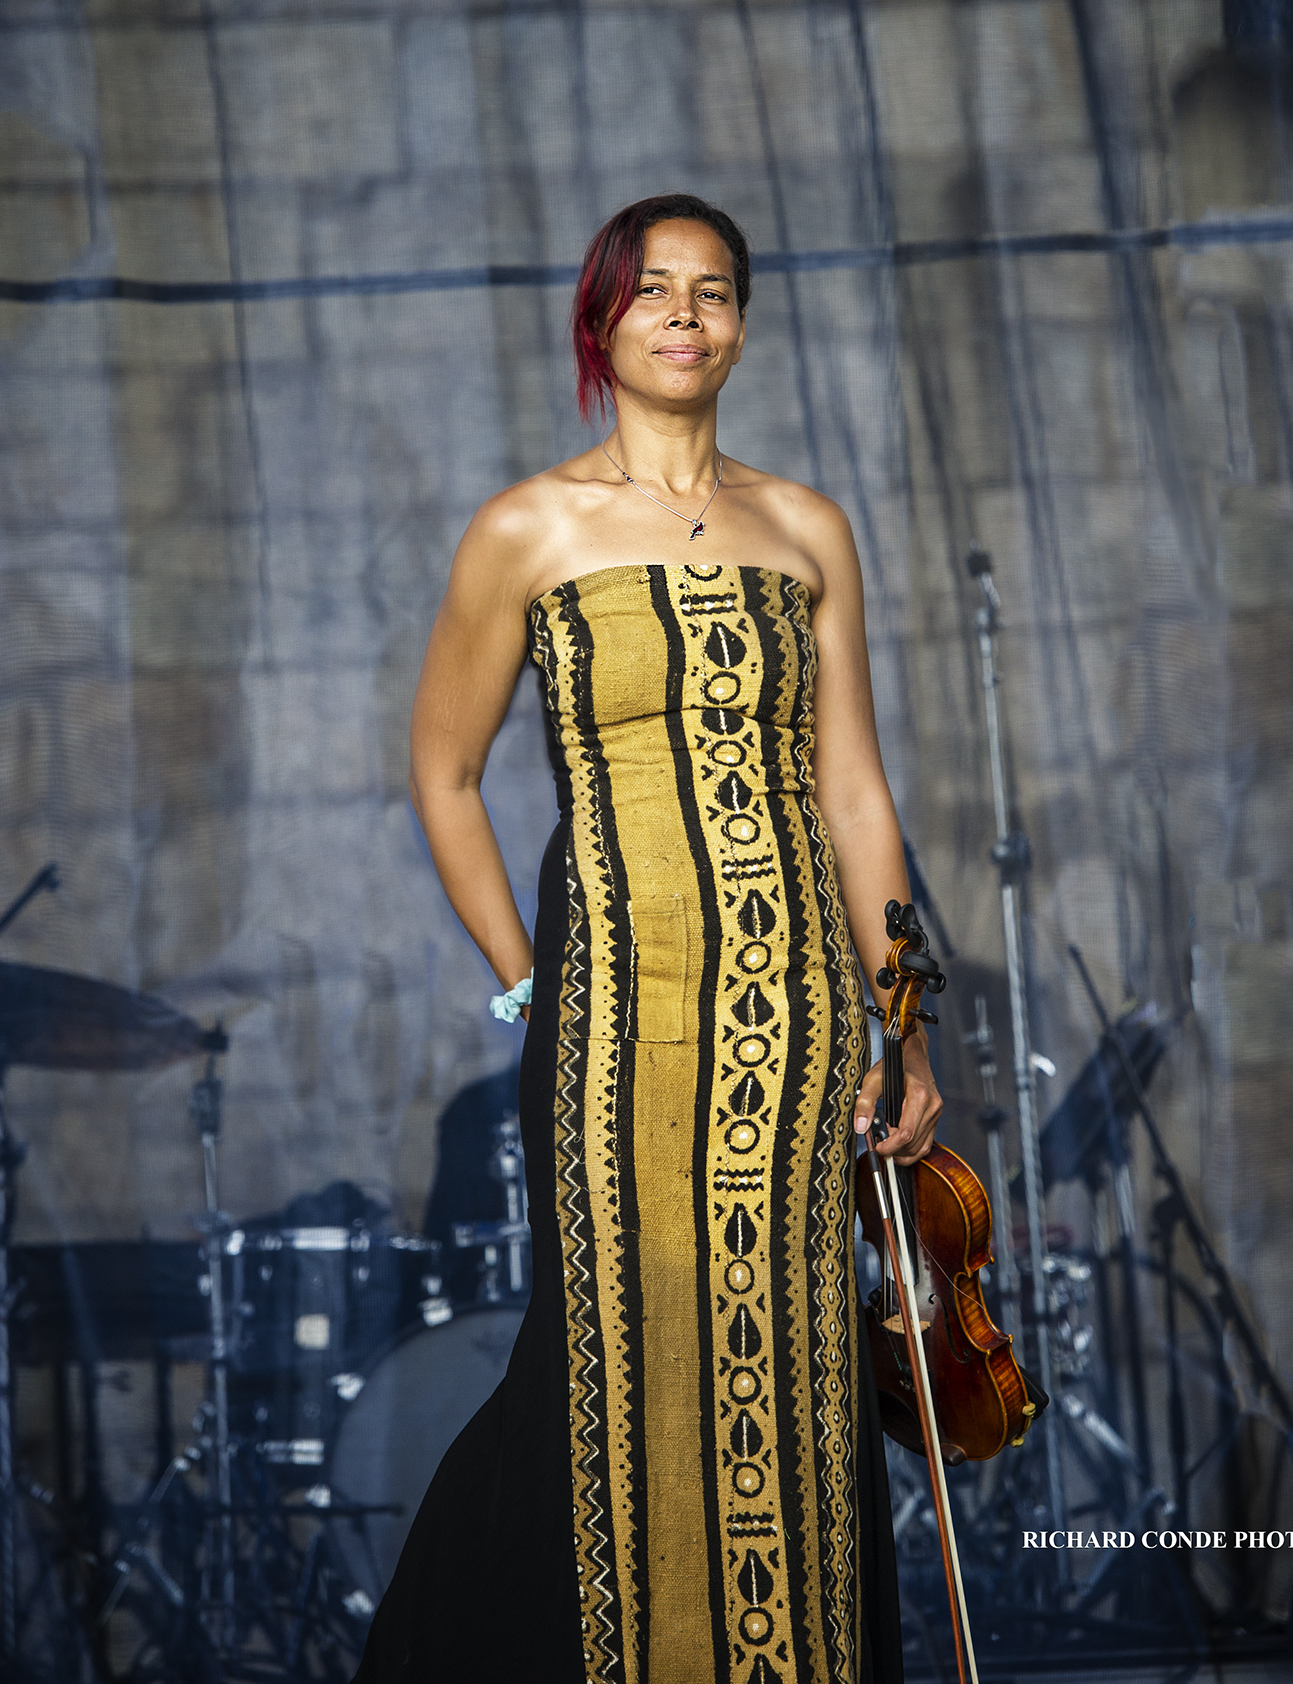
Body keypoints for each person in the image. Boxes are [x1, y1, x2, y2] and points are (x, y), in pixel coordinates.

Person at [354, 193, 942, 1683]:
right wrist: (520, 991)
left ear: (741, 325)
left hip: (801, 1017)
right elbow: (439, 771)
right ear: (602, 322)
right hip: (611, 1022)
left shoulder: (805, 525)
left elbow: (855, 788)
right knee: (615, 1367)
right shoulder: (527, 528)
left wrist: (903, 1022)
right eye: (654, 292)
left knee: (799, 1364)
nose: (686, 315)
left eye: (715, 292)